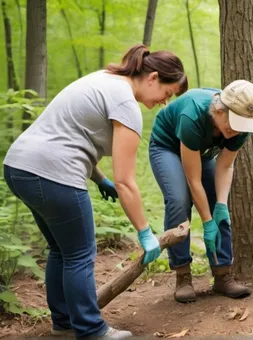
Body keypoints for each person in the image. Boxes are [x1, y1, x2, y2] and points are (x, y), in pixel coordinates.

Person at [3, 44, 187, 339]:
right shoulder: (126, 104)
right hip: (53, 173)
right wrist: (144, 232)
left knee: (62, 251)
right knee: (79, 255)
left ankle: (63, 323)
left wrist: (99, 179)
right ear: (153, 78)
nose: (165, 102)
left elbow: (72, 135)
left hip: (19, 167)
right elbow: (126, 181)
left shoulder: (105, 79)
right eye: (167, 94)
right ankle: (91, 330)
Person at [148, 80, 253, 303]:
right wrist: (207, 222)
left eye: (241, 125)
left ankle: (222, 275)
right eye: (233, 123)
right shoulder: (193, 114)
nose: (236, 129)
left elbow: (225, 165)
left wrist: (219, 206)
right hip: (167, 146)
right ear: (219, 110)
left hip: (201, 151)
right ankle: (183, 275)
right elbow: (193, 179)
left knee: (219, 207)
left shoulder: (242, 126)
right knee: (179, 200)